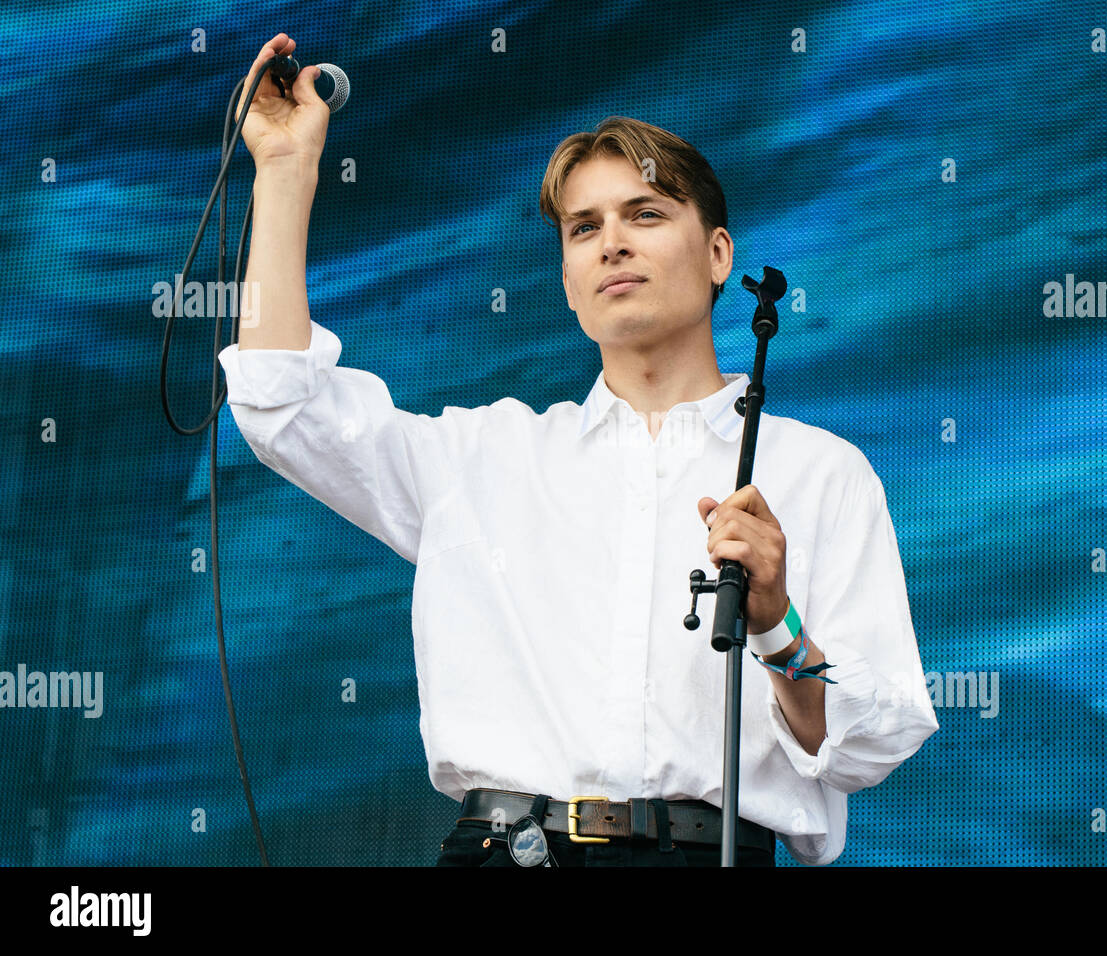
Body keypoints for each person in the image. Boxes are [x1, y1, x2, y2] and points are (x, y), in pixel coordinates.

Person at [218, 34, 940, 867]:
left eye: (646, 213)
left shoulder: (820, 473)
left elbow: (870, 741)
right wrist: (283, 172)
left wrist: (779, 629)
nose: (612, 243)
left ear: (718, 255)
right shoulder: (482, 455)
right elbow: (282, 405)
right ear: (566, 280)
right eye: (583, 227)